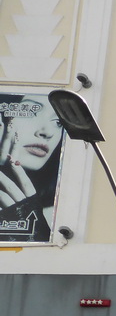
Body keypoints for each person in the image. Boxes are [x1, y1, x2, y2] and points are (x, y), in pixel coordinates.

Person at [0, 94, 64, 242]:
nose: (48, 132)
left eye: (58, 122)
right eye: (31, 111)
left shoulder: (59, 218)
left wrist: (34, 236)